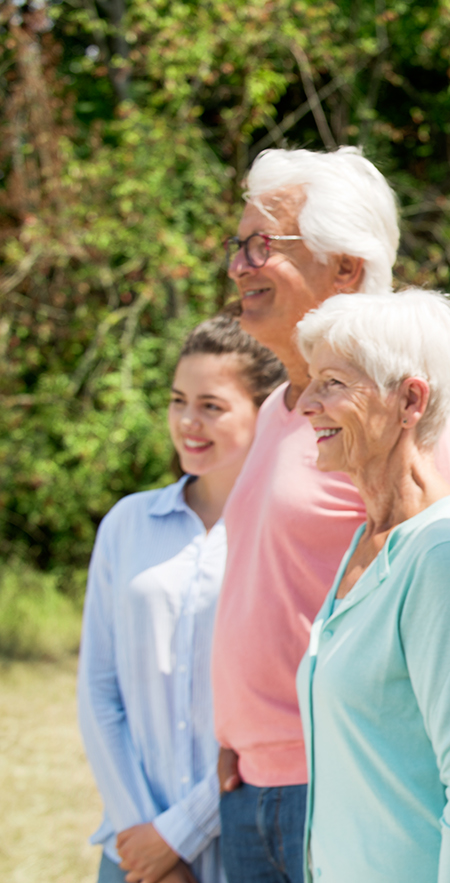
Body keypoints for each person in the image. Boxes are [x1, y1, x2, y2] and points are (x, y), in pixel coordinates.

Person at [210, 146, 450, 883]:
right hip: (254, 785)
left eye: (262, 245)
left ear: (345, 267)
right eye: (238, 244)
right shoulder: (279, 411)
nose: (237, 265)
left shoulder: (409, 420)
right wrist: (237, 729)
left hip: (343, 785)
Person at [293, 290, 450, 882]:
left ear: (410, 400)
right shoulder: (371, 538)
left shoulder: (443, 553)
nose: (306, 404)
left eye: (331, 383)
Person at [78, 315, 285, 883]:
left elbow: (285, 709)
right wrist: (143, 839)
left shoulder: (283, 535)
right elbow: (99, 691)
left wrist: (178, 835)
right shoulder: (126, 524)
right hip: (132, 853)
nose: (188, 422)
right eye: (178, 401)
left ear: (265, 412)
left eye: (211, 406)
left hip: (246, 846)